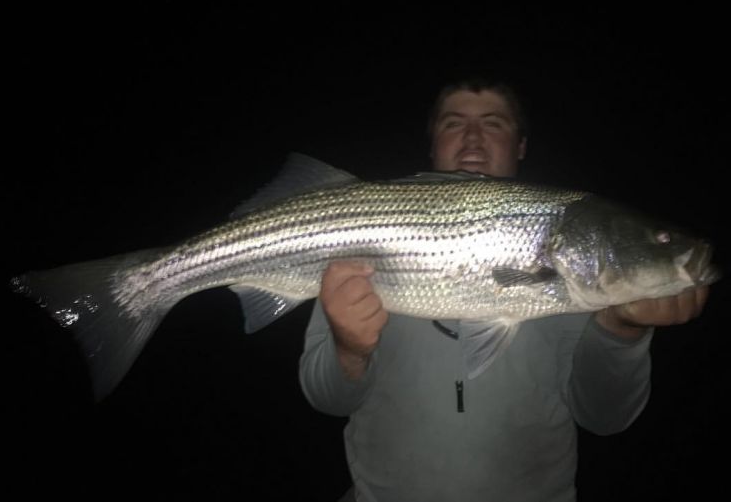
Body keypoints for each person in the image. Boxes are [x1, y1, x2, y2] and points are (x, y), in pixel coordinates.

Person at [298, 78, 709, 502]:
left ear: (521, 145)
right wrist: (349, 349)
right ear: (432, 143)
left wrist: (621, 332)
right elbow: (326, 399)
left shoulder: (587, 289)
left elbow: (606, 419)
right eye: (453, 123)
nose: (473, 138)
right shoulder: (351, 250)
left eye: (494, 123)